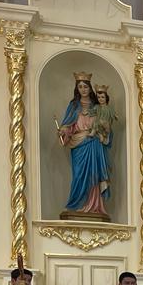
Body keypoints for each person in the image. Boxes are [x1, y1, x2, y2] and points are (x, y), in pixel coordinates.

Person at [58, 74, 111, 218]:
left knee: (93, 175)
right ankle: (77, 204)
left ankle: (93, 206)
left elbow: (106, 125)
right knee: (79, 175)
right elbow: (68, 124)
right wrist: (63, 130)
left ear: (90, 87)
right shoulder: (74, 105)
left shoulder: (97, 106)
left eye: (85, 86)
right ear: (77, 88)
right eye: (80, 87)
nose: (83, 89)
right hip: (79, 143)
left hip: (93, 143)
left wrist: (105, 130)